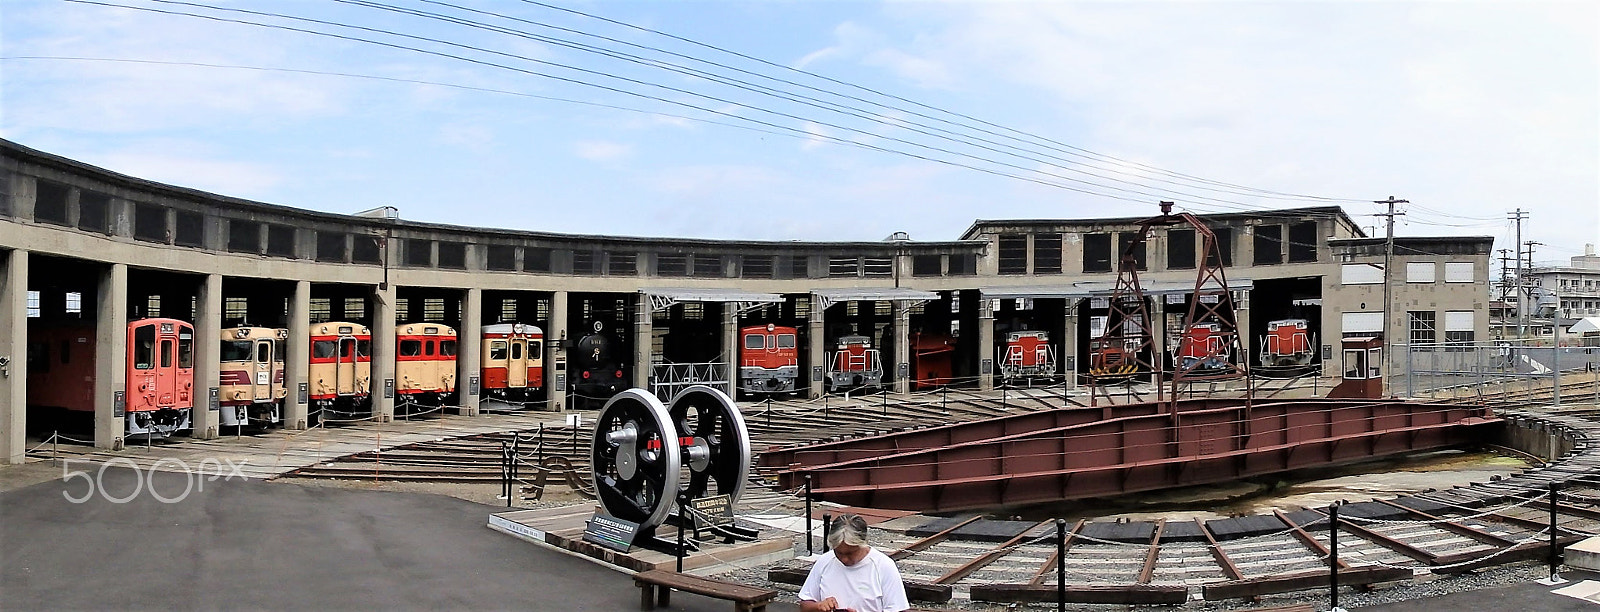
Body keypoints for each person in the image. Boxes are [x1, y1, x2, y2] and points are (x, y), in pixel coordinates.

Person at [798, 514, 910, 612]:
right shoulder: (825, 561)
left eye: (850, 553)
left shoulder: (884, 566)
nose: (844, 559)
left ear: (862, 544)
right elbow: (804, 605)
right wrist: (819, 606)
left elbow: (898, 609)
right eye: (838, 553)